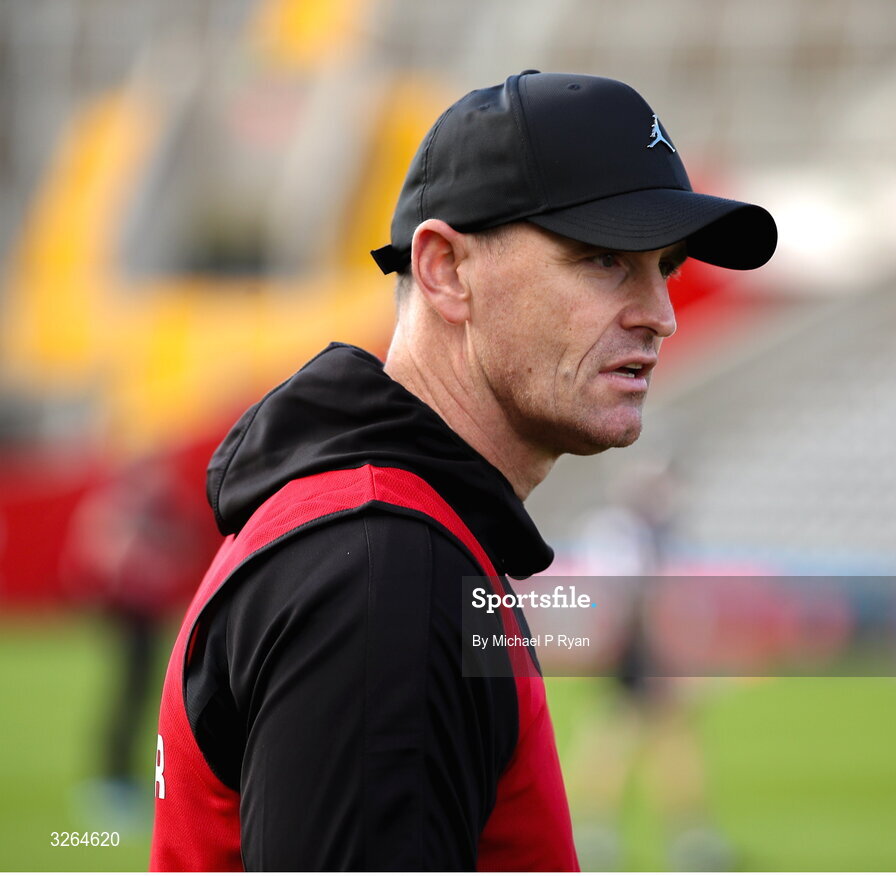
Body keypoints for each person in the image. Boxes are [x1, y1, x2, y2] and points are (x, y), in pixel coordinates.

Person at [149, 70, 776, 871]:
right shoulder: (384, 575)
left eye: (668, 267)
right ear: (445, 269)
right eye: (605, 260)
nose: (662, 315)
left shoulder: (381, 528)